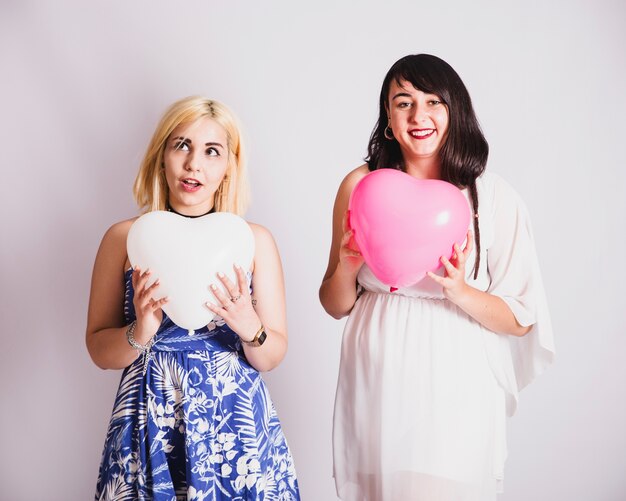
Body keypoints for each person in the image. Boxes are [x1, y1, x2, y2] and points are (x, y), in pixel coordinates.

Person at [319, 54, 554, 501]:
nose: (418, 116)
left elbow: (522, 318)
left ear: (455, 110)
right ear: (388, 115)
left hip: (456, 379)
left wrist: (460, 290)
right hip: (375, 380)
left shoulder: (493, 196)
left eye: (433, 102)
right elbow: (334, 303)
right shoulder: (361, 185)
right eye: (403, 102)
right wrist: (348, 268)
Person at [86, 96, 300, 500]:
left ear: (228, 166)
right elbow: (99, 349)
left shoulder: (254, 241)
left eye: (211, 151)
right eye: (181, 145)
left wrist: (250, 327)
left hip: (234, 422)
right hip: (149, 416)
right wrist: (140, 330)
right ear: (161, 156)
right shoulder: (123, 238)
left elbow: (272, 356)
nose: (193, 164)